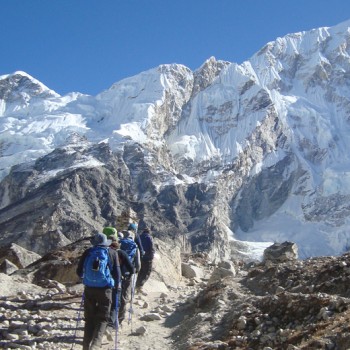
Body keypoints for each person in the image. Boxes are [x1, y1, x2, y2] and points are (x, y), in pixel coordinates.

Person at [76, 232, 121, 350]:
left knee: (89, 318)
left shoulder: (88, 252)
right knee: (102, 318)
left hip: (89, 289)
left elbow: (79, 271)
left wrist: (85, 279)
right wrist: (116, 286)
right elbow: (117, 274)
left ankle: (85, 346)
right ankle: (95, 345)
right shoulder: (112, 253)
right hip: (105, 290)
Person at [107, 233, 135, 329]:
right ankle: (116, 322)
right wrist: (130, 274)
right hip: (119, 279)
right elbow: (131, 268)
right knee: (118, 301)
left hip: (105, 281)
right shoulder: (121, 253)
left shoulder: (104, 252)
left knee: (106, 301)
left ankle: (102, 323)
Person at [118, 229, 141, 325]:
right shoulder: (135, 246)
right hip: (128, 274)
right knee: (124, 296)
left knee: (115, 294)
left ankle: (111, 317)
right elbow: (138, 264)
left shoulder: (119, 244)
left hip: (117, 273)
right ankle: (120, 319)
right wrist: (135, 271)